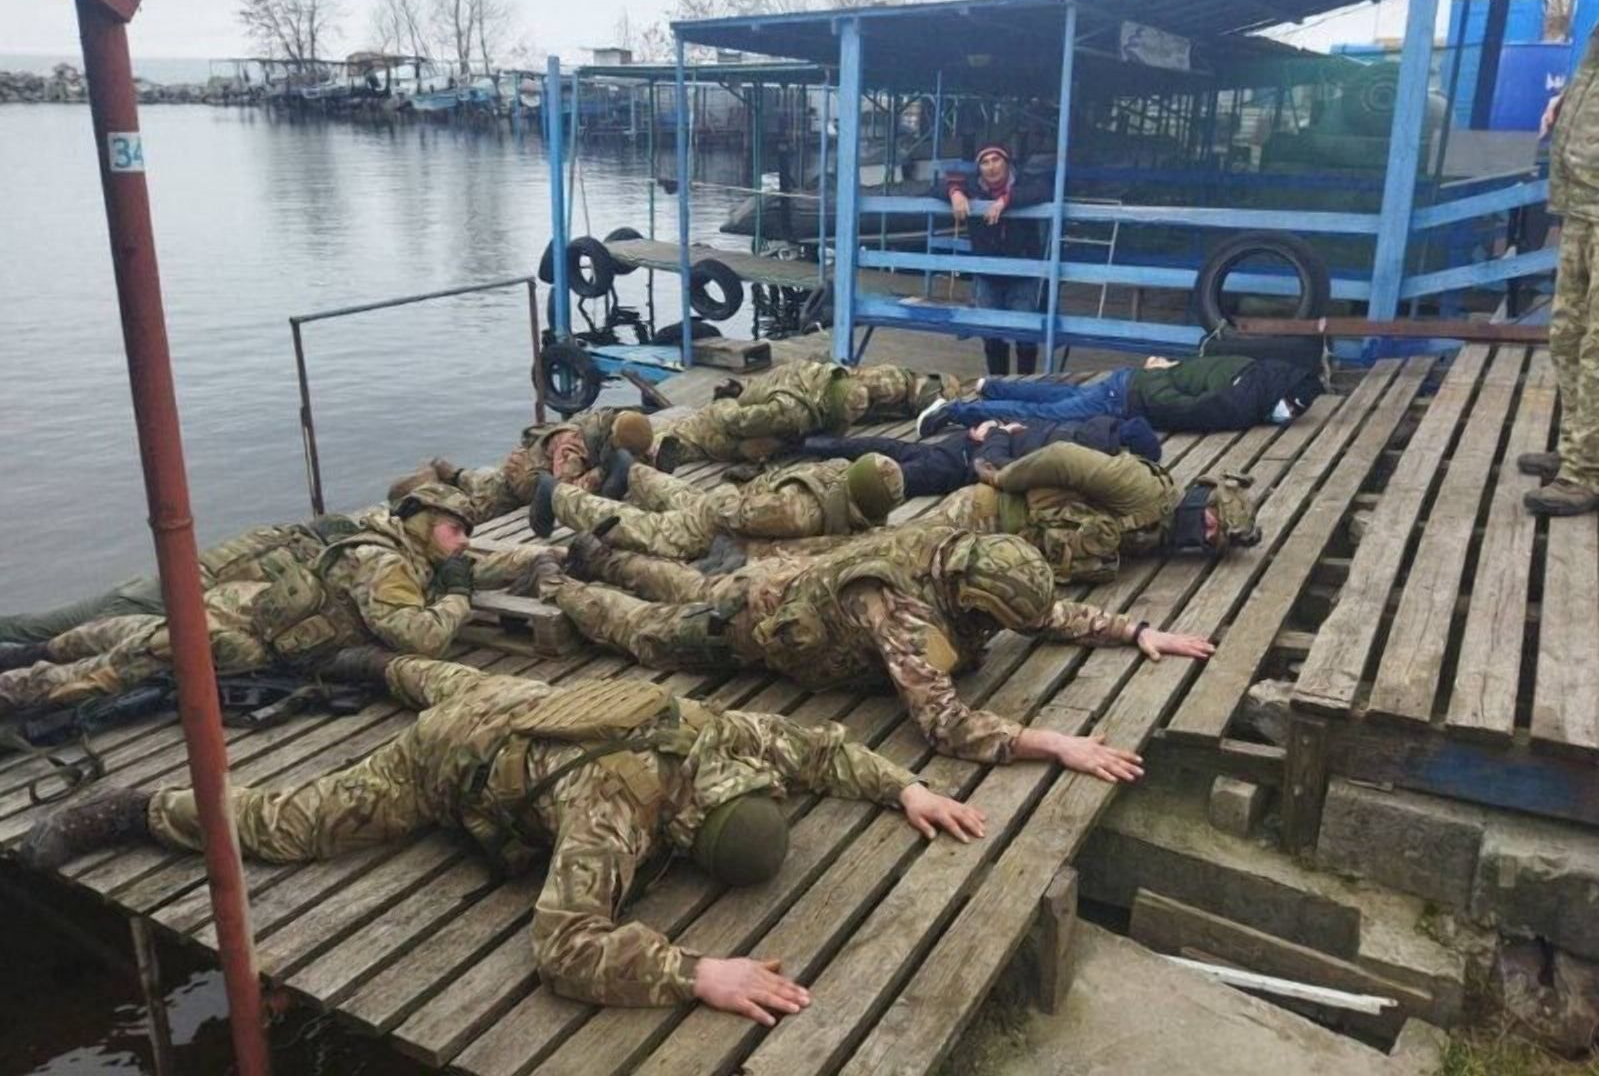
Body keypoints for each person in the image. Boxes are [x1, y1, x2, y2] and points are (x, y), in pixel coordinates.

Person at [21, 652, 986, 1024]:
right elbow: (561, 944)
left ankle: (381, 660)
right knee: (293, 825)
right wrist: (693, 971)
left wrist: (903, 786)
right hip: (450, 758)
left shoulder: (720, 737)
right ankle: (137, 809)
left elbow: (816, 748)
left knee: (457, 678)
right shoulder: (621, 801)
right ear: (684, 827)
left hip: (526, 700)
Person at [539, 522, 1213, 767]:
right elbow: (945, 725)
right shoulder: (900, 610)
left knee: (690, 580)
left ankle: (601, 551)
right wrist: (1056, 742)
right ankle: (557, 578)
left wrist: (1135, 631)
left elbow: (1046, 612)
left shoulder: (965, 556)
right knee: (650, 631)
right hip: (761, 628)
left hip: (786, 583)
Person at [0, 485, 541, 717]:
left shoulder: (392, 544)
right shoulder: (388, 565)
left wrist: (529, 562)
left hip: (232, 604)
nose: (464, 540)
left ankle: (28, 656)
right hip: (237, 637)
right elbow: (420, 636)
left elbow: (464, 564)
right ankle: (17, 686)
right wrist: (457, 597)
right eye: (455, 530)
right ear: (425, 525)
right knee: (107, 673)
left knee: (107, 637)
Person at [0, 513, 364, 650]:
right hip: (154, 607)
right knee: (61, 652)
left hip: (144, 585)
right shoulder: (297, 569)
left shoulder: (272, 532)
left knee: (33, 626)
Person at [927, 441, 1260, 584]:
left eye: (1213, 539)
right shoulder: (1143, 489)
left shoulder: (1160, 531)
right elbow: (1062, 457)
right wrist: (1001, 477)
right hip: (982, 515)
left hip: (1001, 552)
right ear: (1203, 497)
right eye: (1211, 520)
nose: (1207, 533)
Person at [530, 452, 905, 561]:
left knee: (687, 499)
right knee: (651, 531)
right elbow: (733, 513)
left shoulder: (839, 475)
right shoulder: (798, 512)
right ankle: (557, 495)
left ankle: (632, 472)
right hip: (736, 515)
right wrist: (728, 491)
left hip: (752, 505)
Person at [1522, 23, 1599, 516]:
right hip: (1582, 207)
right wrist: (1565, 101)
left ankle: (1585, 471)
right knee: (1567, 336)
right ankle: (1576, 447)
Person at [916, 353, 1324, 438]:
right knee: (1046, 416)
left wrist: (1158, 373)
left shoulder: (1249, 365)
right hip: (1129, 398)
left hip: (1129, 382)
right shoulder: (1242, 400)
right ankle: (957, 411)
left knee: (1058, 397)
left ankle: (993, 385)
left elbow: (1186, 380)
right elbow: (1178, 407)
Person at [651, 360, 959, 469]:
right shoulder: (789, 412)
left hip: (769, 395)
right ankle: (664, 449)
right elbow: (735, 421)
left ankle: (939, 388)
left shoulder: (824, 378)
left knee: (889, 386)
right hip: (741, 420)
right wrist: (722, 404)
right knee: (741, 443)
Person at [390, 409, 657, 526]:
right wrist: (601, 473)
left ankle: (452, 472)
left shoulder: (622, 424)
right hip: (516, 488)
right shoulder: (572, 447)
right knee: (466, 512)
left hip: (524, 472)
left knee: (476, 479)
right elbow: (564, 494)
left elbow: (643, 451)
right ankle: (426, 482)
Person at [799, 414, 1160, 500]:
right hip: (964, 462)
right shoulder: (1075, 456)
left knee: (890, 450)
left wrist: (994, 429)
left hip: (966, 446)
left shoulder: (1079, 427)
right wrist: (996, 434)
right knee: (888, 479)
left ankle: (811, 444)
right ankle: (814, 487)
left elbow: (1022, 429)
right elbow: (995, 466)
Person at [937, 144, 1052, 377]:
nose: (991, 167)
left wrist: (1005, 201)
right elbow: (934, 187)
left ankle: (1023, 388)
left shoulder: (1025, 181)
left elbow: (1043, 190)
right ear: (978, 167)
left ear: (1007, 162)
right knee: (990, 335)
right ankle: (999, 386)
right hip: (987, 274)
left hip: (1023, 272)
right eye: (985, 162)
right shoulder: (971, 185)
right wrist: (954, 192)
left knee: (1025, 337)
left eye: (996, 160)